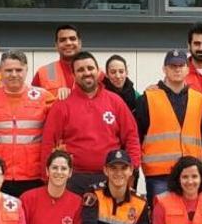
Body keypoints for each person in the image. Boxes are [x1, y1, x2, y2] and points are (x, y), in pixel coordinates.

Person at [41, 51, 141, 194]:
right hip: (73, 179)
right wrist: (46, 177)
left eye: (90, 68)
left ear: (98, 71)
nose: (86, 73)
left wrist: (133, 170)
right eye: (80, 70)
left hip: (110, 176)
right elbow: (48, 142)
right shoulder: (62, 105)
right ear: (74, 75)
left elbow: (132, 137)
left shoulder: (115, 101)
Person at [136, 49, 202, 207]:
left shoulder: (199, 99)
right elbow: (137, 136)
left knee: (191, 222)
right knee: (161, 221)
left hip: (191, 173)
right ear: (164, 69)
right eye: (172, 66)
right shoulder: (147, 98)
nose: (177, 69)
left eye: (181, 65)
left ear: (188, 69)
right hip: (159, 174)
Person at [0, 50, 55, 197]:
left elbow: (55, 136)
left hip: (33, 176)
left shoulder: (44, 97)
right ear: (0, 71)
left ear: (27, 70)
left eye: (19, 70)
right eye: (8, 70)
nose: (14, 74)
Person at [32, 25, 82, 100]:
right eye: (62, 40)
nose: (68, 43)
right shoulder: (44, 72)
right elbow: (34, 104)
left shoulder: (96, 73)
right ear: (56, 45)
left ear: (79, 43)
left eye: (72, 39)